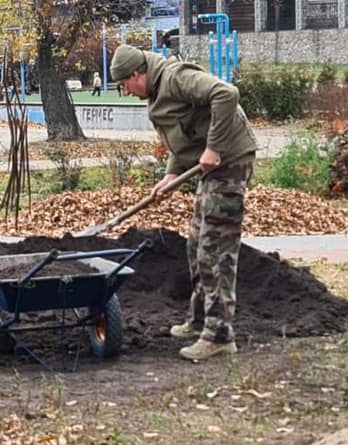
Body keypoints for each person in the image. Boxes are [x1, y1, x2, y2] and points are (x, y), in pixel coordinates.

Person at [109, 44, 257, 362]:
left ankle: (219, 336)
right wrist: (171, 174)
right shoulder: (157, 93)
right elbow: (183, 138)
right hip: (212, 168)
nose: (125, 91)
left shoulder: (176, 78)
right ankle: (200, 320)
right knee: (195, 246)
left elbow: (226, 94)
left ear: (137, 74)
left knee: (214, 250)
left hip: (230, 161)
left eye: (124, 84)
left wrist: (214, 147)